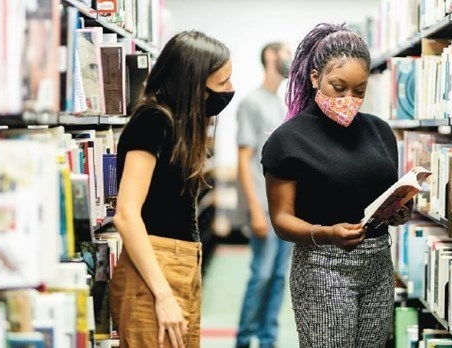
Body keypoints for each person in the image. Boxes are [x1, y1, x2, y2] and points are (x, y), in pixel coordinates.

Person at [261, 23, 412, 348]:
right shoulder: (288, 141)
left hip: (378, 267)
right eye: (338, 87)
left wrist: (399, 211)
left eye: (358, 91)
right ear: (316, 77)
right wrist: (327, 233)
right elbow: (282, 221)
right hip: (322, 268)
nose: (349, 99)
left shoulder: (381, 132)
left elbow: (380, 194)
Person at [111, 30, 234, 348]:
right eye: (222, 84)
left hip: (180, 263)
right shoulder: (153, 121)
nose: (229, 91)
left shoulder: (179, 125)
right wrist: (162, 294)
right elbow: (126, 214)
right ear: (193, 84)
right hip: (155, 268)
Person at [235, 42, 293, 348]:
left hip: (283, 210)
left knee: (277, 278)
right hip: (262, 208)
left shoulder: (280, 104)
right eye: (285, 52)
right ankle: (243, 341)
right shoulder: (252, 103)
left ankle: (267, 340)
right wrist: (255, 210)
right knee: (261, 276)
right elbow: (243, 160)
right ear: (271, 57)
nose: (290, 57)